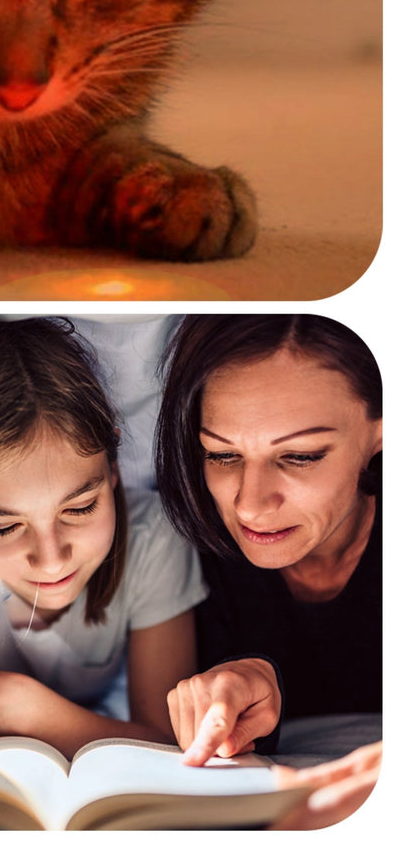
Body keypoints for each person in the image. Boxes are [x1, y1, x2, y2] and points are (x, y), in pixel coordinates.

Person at [0, 316, 206, 767]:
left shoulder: (154, 537)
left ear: (113, 468)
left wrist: (24, 710)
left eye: (81, 508)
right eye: (2, 526)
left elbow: (176, 745)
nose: (52, 561)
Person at [155, 314, 382, 828]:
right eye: (222, 454)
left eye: (299, 456)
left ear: (379, 433)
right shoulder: (186, 545)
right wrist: (248, 678)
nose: (251, 506)